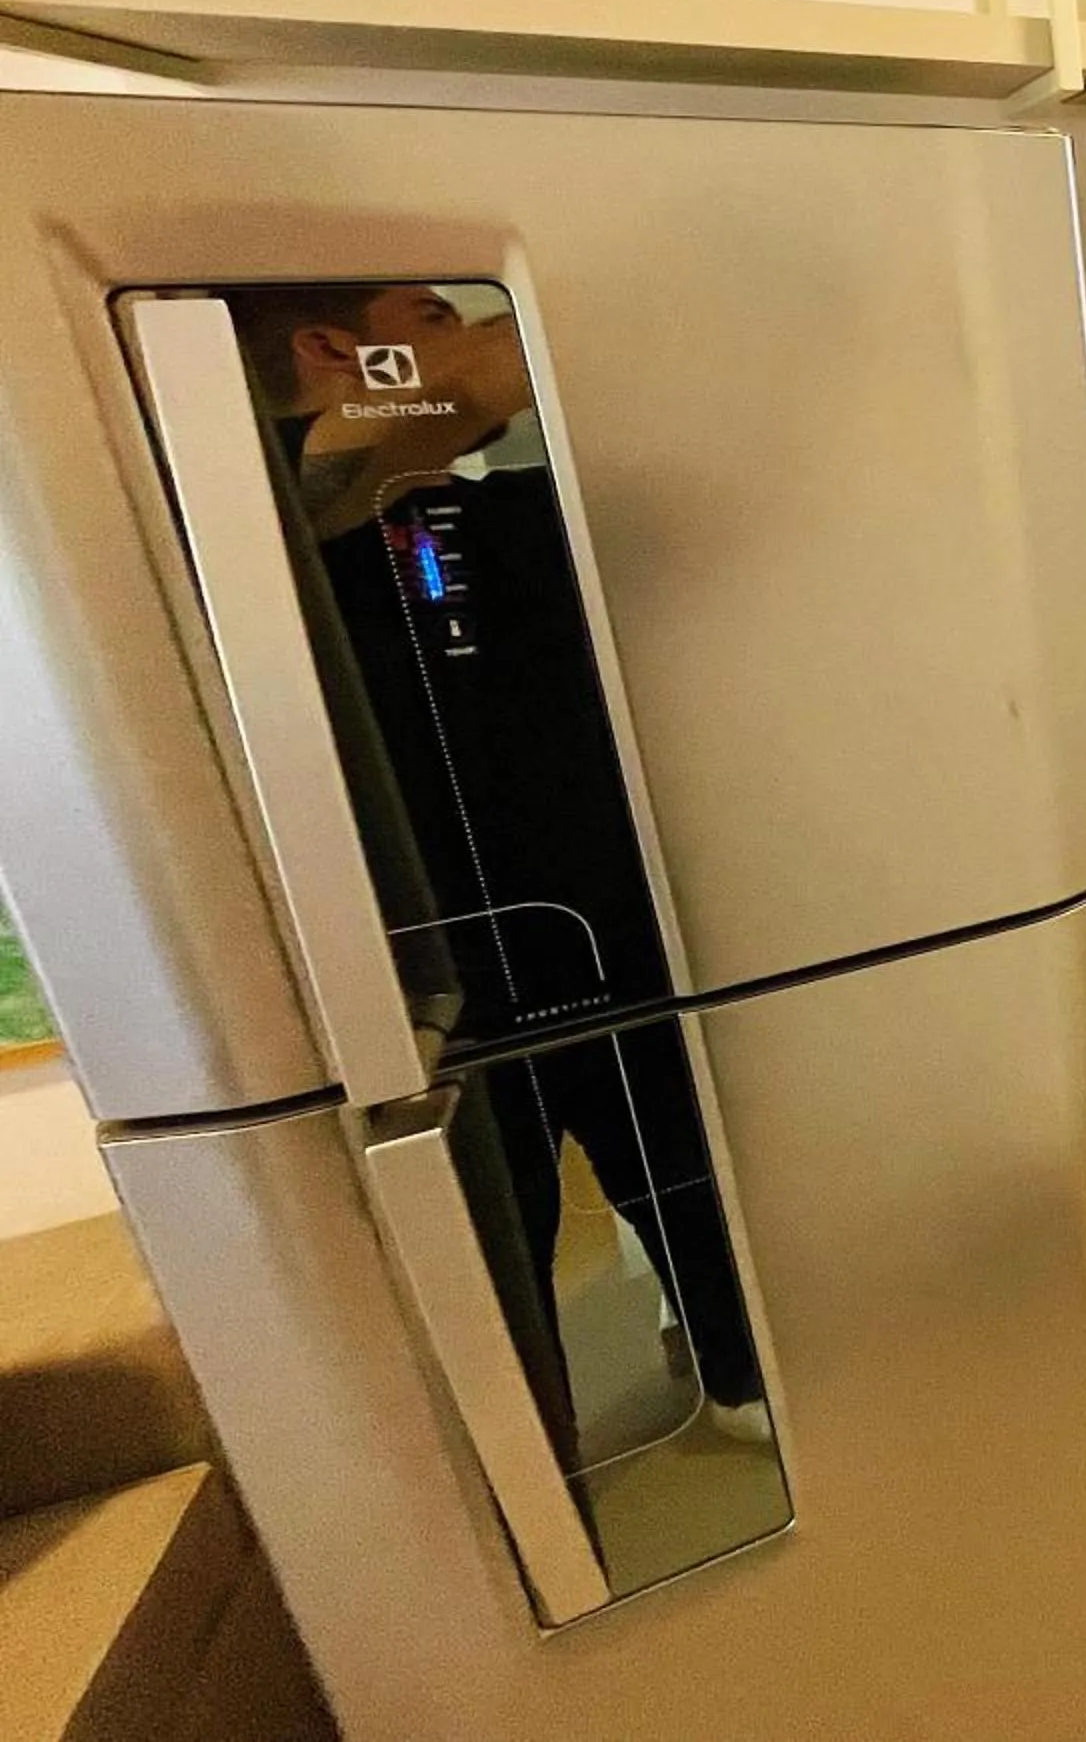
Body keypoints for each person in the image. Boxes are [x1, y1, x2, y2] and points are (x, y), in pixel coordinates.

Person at [227, 284, 770, 1447]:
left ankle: (736, 1384)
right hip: (419, 1012)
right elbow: (428, 409)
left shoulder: (493, 522)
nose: (466, 336)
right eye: (433, 312)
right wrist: (604, 274)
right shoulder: (251, 518)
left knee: (697, 1203)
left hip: (615, 950)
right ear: (335, 351)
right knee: (490, 1301)